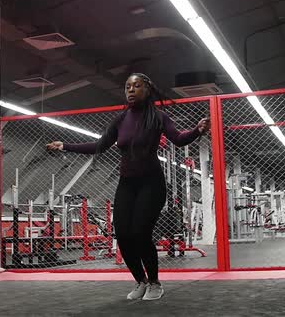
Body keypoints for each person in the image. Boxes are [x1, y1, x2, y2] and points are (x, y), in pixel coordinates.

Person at [47, 73, 209, 300]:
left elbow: (178, 138)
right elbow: (99, 146)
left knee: (141, 233)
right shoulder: (121, 119)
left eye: (136, 86)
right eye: (127, 87)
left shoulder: (159, 117)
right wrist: (65, 145)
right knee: (122, 235)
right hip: (127, 184)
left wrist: (197, 131)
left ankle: (154, 282)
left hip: (151, 184)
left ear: (147, 89)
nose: (131, 90)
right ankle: (140, 281)